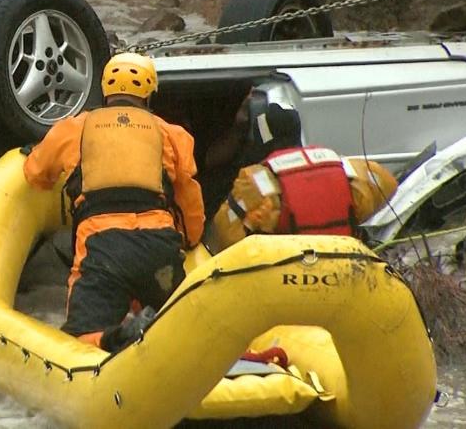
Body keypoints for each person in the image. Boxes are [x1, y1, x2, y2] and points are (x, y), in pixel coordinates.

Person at [23, 52, 205, 352]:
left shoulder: (75, 128)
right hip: (158, 246)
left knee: (81, 341)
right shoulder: (172, 134)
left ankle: (116, 337)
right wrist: (189, 239)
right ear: (148, 95)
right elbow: (189, 199)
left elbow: (35, 174)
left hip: (102, 248)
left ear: (105, 91)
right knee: (182, 332)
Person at [205, 98, 398, 253]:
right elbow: (388, 184)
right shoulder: (341, 166)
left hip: (290, 276)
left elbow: (224, 235)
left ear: (263, 137)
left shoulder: (258, 182)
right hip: (344, 264)